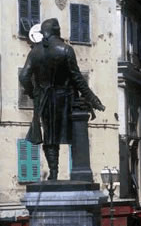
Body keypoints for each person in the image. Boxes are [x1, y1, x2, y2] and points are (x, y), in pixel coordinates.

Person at [19, 18, 105, 180]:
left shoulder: (34, 52)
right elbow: (77, 78)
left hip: (44, 100)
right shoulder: (65, 50)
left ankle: (53, 172)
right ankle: (80, 172)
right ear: (57, 31)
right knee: (75, 134)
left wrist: (33, 93)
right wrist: (93, 99)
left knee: (50, 137)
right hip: (66, 99)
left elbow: (24, 76)